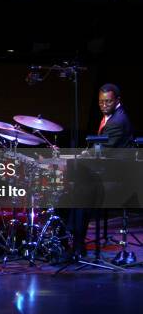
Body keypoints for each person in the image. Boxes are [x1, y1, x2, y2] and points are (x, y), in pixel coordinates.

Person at [69, 83, 134, 257]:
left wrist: (81, 156)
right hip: (108, 172)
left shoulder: (118, 122)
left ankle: (77, 245)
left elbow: (104, 150)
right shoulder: (112, 116)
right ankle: (69, 238)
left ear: (117, 100)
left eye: (108, 102)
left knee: (79, 194)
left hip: (118, 180)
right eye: (101, 102)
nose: (104, 105)